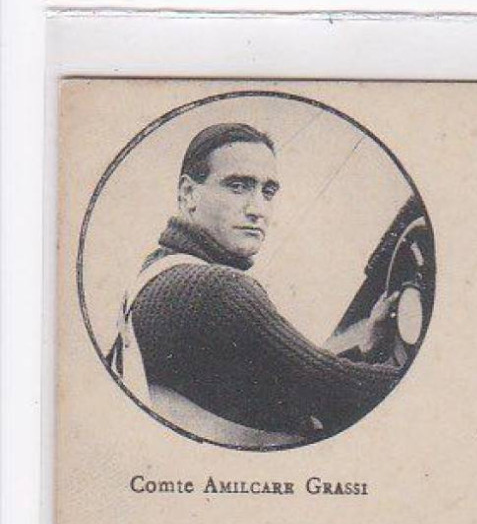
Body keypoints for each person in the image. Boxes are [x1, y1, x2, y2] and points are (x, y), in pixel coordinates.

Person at [112, 122, 401, 447]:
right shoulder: (217, 289)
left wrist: (370, 348)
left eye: (268, 192)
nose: (257, 209)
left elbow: (286, 388)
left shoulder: (155, 274)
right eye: (238, 186)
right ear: (188, 194)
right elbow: (333, 390)